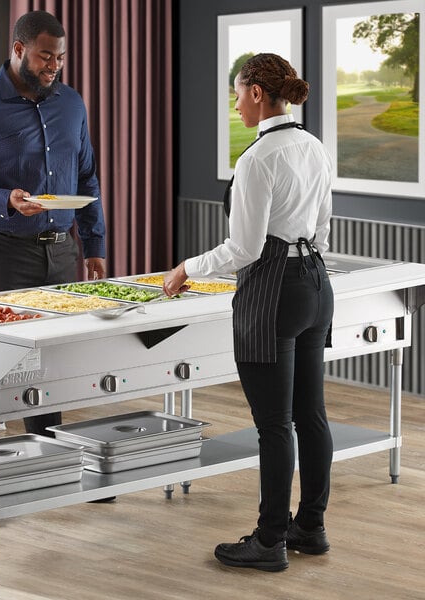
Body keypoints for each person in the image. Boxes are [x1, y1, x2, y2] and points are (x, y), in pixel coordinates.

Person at [163, 53, 334, 572]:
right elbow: (323, 225)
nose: (234, 104)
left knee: (274, 424)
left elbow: (245, 248)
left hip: (274, 290)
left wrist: (186, 268)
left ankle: (268, 541)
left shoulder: (257, 159)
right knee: (311, 414)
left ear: (257, 92)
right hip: (314, 282)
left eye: (236, 93)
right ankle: (310, 526)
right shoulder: (312, 145)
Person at [0, 11, 108, 499]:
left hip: (59, 253)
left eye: (61, 56)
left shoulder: (71, 103)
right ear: (17, 50)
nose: (55, 65)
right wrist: (2, 198)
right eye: (45, 56)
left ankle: (46, 475)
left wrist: (93, 246)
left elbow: (87, 177)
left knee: (48, 369)